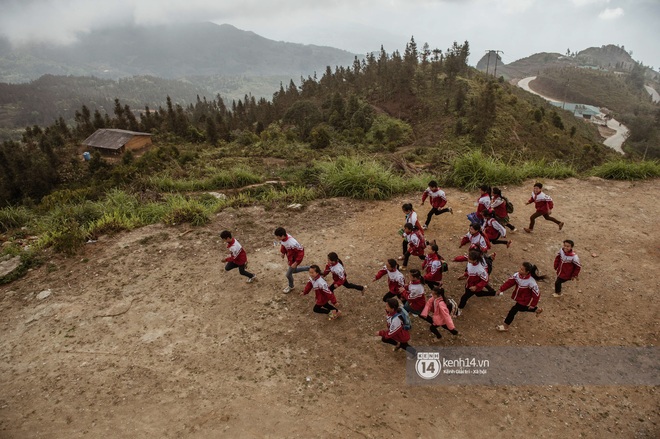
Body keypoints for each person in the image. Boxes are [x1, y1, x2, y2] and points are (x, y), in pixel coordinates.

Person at [496, 262, 546, 331]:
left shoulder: (531, 282)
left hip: (524, 300)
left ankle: (505, 326)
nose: (519, 270)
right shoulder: (517, 275)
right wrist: (501, 289)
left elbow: (536, 294)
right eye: (520, 268)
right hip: (519, 297)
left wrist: (533, 304)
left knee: (513, 311)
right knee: (521, 308)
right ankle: (536, 310)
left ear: (527, 272)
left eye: (522, 270)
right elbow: (509, 283)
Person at [456, 249, 497, 315]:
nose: (468, 259)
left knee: (464, 297)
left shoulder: (480, 269)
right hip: (469, 283)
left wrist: (476, 286)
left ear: (475, 260)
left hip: (473, 286)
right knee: (478, 294)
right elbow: (470, 271)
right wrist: (464, 275)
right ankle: (494, 293)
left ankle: (459, 309)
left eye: (469, 259)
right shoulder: (470, 262)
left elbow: (485, 280)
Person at [275, 227, 310, 293]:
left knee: (288, 274)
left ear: (282, 236)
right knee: (294, 271)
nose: (278, 239)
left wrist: (296, 262)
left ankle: (291, 286)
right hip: (291, 257)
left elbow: (301, 251)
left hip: (295, 259)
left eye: (278, 237)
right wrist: (283, 252)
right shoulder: (284, 238)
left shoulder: (292, 243)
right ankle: (310, 268)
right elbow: (283, 245)